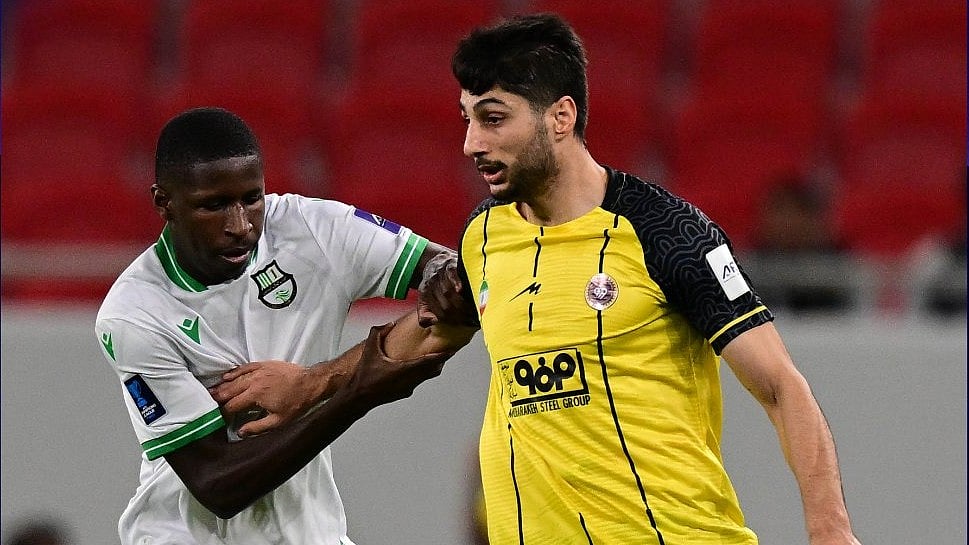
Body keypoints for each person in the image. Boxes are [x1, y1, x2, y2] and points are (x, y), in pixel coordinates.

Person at [420, 12, 862, 544]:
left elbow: (781, 388)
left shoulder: (664, 231)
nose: (471, 143)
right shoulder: (481, 236)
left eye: (493, 119)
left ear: (561, 117)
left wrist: (831, 531)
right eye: (466, 118)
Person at [94, 106, 475, 545]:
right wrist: (357, 392)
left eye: (251, 199)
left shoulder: (309, 228)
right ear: (164, 202)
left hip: (310, 533)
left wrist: (315, 383)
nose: (240, 226)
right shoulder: (134, 314)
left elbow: (458, 279)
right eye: (213, 206)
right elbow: (218, 483)